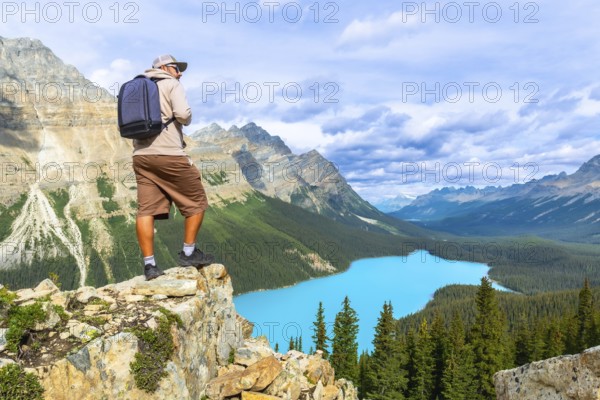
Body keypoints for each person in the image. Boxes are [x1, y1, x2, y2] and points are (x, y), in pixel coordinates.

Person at [132, 54, 214, 280]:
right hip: (168, 153)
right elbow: (184, 115)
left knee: (146, 209)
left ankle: (150, 266)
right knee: (197, 201)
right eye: (177, 68)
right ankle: (188, 252)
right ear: (165, 68)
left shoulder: (137, 86)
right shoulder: (171, 84)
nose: (180, 73)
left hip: (141, 156)